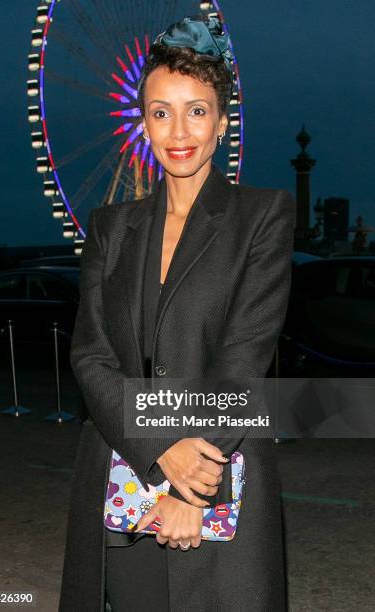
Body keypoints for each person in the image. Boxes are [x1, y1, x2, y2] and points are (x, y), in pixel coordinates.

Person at [59, 15, 296, 612]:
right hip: (124, 469)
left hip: (221, 473)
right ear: (143, 123)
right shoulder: (111, 228)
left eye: (197, 110)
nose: (179, 130)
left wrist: (193, 492)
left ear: (221, 122)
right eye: (161, 112)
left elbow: (245, 355)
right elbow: (90, 354)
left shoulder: (261, 216)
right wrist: (163, 449)